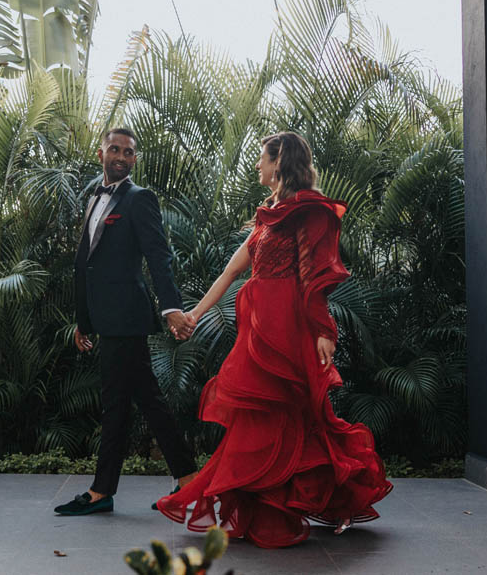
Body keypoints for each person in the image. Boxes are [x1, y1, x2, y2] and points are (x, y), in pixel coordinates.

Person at [154, 131, 392, 548]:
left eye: (262, 159)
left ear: (279, 162)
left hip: (289, 326)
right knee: (258, 419)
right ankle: (264, 500)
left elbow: (313, 278)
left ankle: (335, 497)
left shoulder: (308, 212)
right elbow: (230, 273)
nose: (258, 166)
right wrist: (193, 314)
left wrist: (323, 331)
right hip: (257, 329)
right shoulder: (267, 216)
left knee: (300, 416)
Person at [54, 128, 198, 516]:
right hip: (106, 319)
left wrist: (171, 308)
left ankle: (178, 484)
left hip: (128, 318)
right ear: (100, 152)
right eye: (114, 149)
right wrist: (83, 320)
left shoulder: (139, 199)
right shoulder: (94, 198)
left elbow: (158, 255)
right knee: (129, 402)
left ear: (135, 159)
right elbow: (85, 264)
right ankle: (179, 481)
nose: (121, 156)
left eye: (129, 152)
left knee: (134, 402)